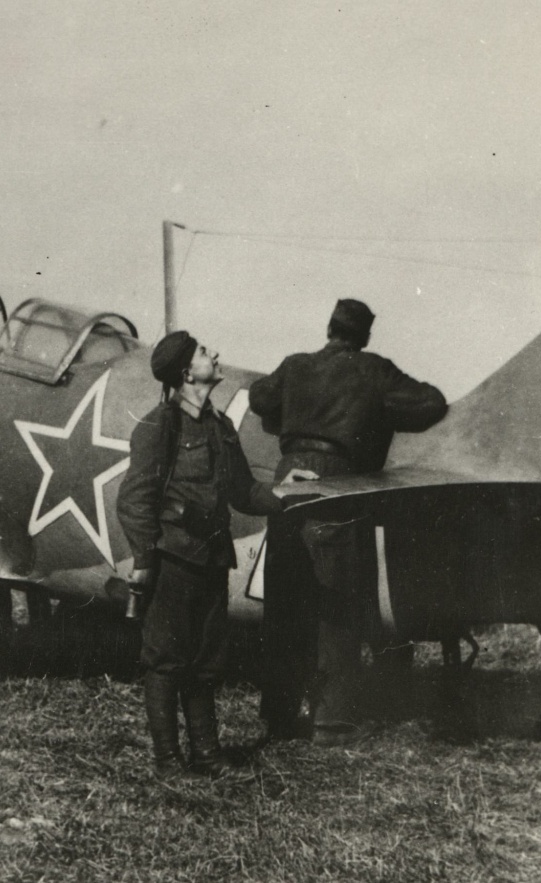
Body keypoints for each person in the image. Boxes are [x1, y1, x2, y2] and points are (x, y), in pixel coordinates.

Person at [249, 298, 447, 746]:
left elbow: (259, 397)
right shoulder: (373, 370)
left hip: (288, 479)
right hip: (339, 481)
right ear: (364, 336)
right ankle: (331, 721)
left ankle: (279, 715)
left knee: (285, 602)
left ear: (329, 328)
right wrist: (377, 413)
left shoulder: (295, 365)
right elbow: (431, 403)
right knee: (336, 606)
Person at [116, 330, 311, 780]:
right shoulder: (160, 426)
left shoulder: (220, 427)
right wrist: (144, 560)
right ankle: (168, 762)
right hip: (173, 560)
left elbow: (243, 491)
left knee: (207, 662)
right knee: (166, 661)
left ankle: (207, 755)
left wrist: (284, 491)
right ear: (187, 372)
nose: (215, 354)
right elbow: (134, 499)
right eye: (205, 352)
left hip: (212, 559)